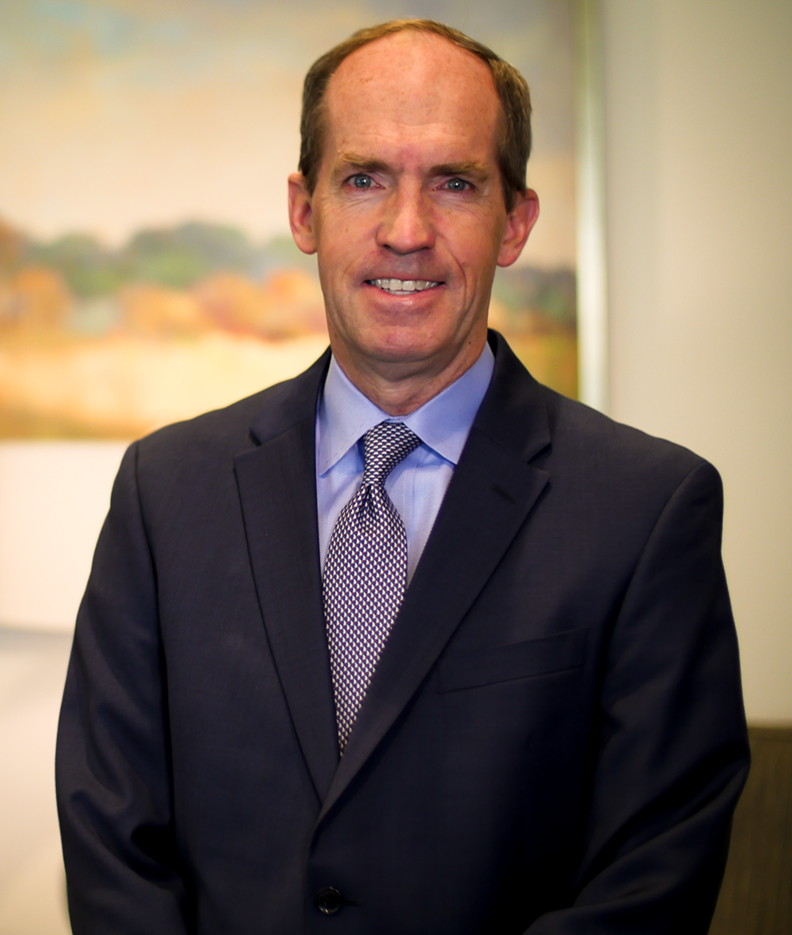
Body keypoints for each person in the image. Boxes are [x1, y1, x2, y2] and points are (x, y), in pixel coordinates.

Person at [56, 19, 749, 935]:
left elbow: (652, 873)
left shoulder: (648, 511)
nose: (406, 231)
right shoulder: (164, 490)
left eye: (454, 184)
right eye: (364, 179)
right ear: (305, 211)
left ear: (517, 220)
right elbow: (112, 841)